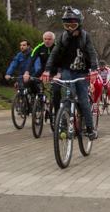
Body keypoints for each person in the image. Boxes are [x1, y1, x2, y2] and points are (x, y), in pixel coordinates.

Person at [41, 7, 100, 139]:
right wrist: (47, 70)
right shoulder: (63, 37)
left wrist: (94, 69)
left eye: (72, 25)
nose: (69, 28)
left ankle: (90, 129)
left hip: (82, 73)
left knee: (83, 101)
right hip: (67, 71)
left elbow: (92, 53)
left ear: (79, 24)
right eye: (66, 25)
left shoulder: (85, 36)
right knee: (67, 99)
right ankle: (62, 127)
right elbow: (54, 53)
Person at [23, 31, 57, 112]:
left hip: (55, 71)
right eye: (45, 39)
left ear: (53, 40)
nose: (47, 41)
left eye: (49, 39)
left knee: (56, 91)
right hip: (43, 70)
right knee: (29, 81)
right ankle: (39, 97)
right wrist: (27, 72)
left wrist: (59, 73)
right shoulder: (39, 47)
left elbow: (62, 62)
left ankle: (56, 110)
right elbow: (31, 60)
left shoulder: (57, 47)